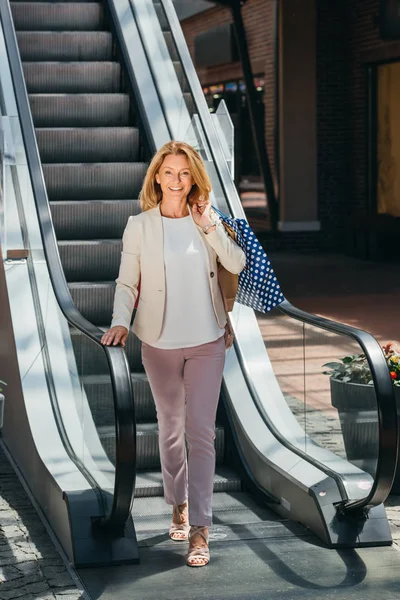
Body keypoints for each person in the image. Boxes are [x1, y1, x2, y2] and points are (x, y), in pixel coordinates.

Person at [101, 141, 246, 567]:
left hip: (207, 340)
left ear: (194, 178)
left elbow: (235, 264)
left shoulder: (208, 220)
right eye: (169, 172)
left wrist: (210, 227)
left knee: (200, 431)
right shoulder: (139, 225)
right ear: (157, 177)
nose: (177, 180)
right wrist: (120, 321)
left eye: (185, 173)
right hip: (158, 343)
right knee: (170, 428)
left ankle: (200, 529)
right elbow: (127, 283)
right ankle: (177, 502)